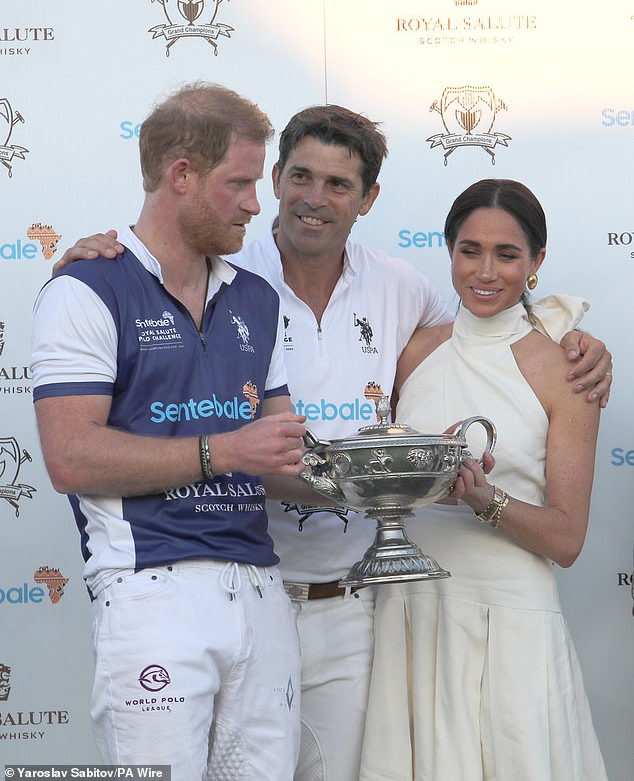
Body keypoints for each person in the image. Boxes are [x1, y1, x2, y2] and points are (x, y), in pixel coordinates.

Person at [54, 111, 613, 781]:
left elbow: (488, 333)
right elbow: (149, 269)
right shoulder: (224, 275)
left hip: (357, 611)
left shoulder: (402, 290)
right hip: (243, 588)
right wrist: (96, 259)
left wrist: (575, 340)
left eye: (339, 184)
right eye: (300, 177)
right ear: (278, 179)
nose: (315, 198)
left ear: (368, 199)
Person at [30, 83, 309, 781]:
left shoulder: (256, 296)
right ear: (181, 175)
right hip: (152, 590)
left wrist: (394, 480)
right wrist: (222, 451)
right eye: (240, 183)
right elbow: (69, 457)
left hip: (260, 591)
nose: (256, 202)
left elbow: (277, 457)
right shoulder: (86, 289)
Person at [359, 178, 609, 781]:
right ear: (448, 252)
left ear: (536, 263)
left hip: (511, 619)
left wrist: (482, 497)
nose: (486, 271)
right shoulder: (411, 354)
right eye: (470, 250)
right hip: (412, 610)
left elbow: (567, 540)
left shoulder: (566, 371)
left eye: (507, 254)